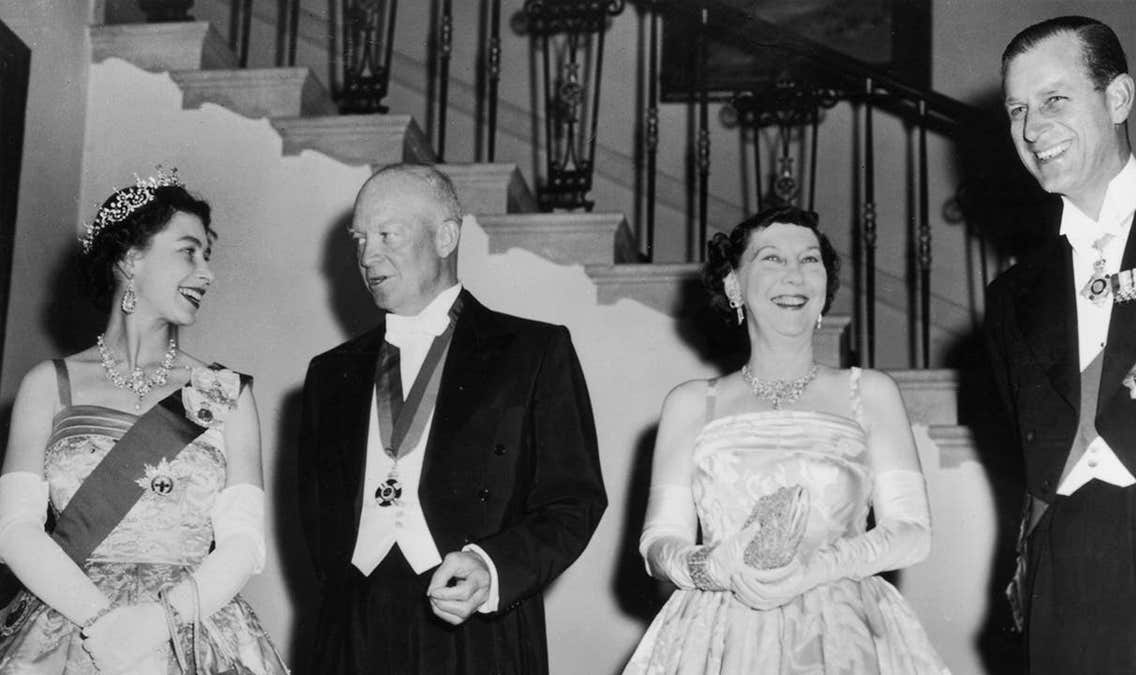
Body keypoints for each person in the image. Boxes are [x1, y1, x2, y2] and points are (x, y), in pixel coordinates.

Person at [297, 164, 607, 674]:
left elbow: (574, 501)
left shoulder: (533, 351)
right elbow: (317, 523)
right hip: (353, 638)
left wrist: (492, 568)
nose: (367, 256)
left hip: (478, 636)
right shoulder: (328, 374)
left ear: (446, 236)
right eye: (359, 239)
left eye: (386, 235)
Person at [624, 206, 947, 673]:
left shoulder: (871, 393)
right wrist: (715, 566)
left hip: (844, 634)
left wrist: (817, 568)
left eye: (810, 260)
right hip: (718, 635)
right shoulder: (691, 404)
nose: (794, 275)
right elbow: (658, 543)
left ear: (824, 289)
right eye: (772, 259)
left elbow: (914, 533)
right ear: (735, 284)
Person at [0, 169, 286, 673]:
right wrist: (105, 625)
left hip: (193, 630)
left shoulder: (225, 393)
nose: (207, 273)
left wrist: (155, 625)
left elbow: (244, 543)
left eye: (207, 256)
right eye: (188, 251)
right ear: (131, 259)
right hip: (71, 627)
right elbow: (14, 530)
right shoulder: (48, 384)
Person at [985, 16, 1136, 673]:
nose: (1031, 129)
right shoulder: (1013, 294)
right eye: (1017, 109)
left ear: (1119, 99)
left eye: (1054, 100)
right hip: (1066, 564)